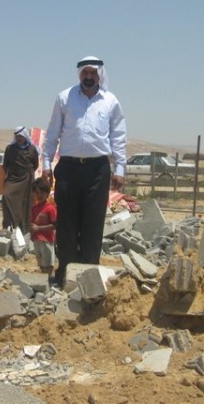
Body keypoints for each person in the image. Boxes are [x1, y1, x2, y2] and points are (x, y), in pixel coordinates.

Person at [41, 56, 127, 287]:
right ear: (79, 74)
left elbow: (118, 137)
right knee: (67, 223)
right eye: (85, 73)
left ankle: (89, 277)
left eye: (93, 73)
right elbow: (52, 133)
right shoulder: (64, 98)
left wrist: (120, 168)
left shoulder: (110, 101)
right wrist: (46, 164)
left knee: (93, 223)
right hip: (68, 169)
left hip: (97, 170)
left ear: (100, 75)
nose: (89, 77)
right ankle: (65, 274)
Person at [1, 126, 39, 235]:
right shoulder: (10, 149)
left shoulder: (32, 149)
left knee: (24, 203)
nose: (19, 139)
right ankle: (7, 225)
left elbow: (35, 165)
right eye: (17, 137)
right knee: (6, 196)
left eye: (21, 136)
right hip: (13, 178)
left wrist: (27, 173)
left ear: (25, 136)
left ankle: (23, 228)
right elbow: (5, 165)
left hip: (27, 179)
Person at [30, 177, 57, 278]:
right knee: (41, 263)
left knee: (48, 264)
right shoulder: (35, 208)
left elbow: (54, 225)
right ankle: (44, 280)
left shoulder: (50, 208)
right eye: (37, 193)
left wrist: (38, 229)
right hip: (37, 240)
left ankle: (49, 280)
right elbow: (33, 223)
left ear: (47, 193)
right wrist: (32, 233)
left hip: (47, 241)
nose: (39, 195)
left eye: (42, 193)